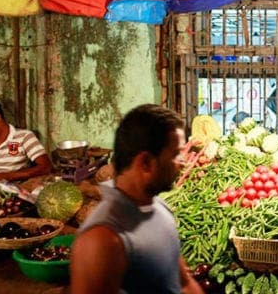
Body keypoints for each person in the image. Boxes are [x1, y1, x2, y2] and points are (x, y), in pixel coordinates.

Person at [70, 104, 203, 294]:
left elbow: (183, 283)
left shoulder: (160, 208)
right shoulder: (101, 240)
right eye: (175, 154)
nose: (183, 162)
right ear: (146, 163)